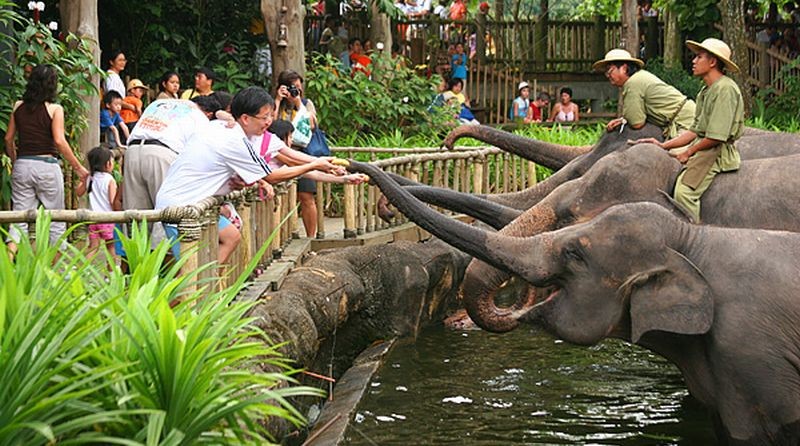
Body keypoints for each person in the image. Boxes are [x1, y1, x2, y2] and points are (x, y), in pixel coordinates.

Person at [155, 87, 339, 264]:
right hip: (181, 207)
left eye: (270, 116)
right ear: (244, 118)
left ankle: (210, 283)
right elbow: (271, 176)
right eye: (264, 117)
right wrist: (314, 164)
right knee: (190, 271)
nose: (269, 122)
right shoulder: (236, 141)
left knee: (231, 236)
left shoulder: (220, 126)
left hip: (188, 201)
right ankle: (194, 291)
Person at [633, 38, 743, 222]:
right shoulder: (706, 91)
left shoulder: (725, 89)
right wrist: (663, 145)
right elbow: (694, 131)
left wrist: (689, 152)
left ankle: (693, 238)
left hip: (716, 153)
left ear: (713, 62)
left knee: (684, 193)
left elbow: (717, 137)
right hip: (704, 146)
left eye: (699, 57)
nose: (693, 61)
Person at [4, 64, 89, 253]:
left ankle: (6, 270)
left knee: (18, 221)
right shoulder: (55, 109)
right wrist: (78, 167)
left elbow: (8, 138)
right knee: (56, 220)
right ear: (52, 85)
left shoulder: (18, 106)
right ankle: (57, 275)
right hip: (47, 166)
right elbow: (59, 141)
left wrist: (15, 159)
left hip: (23, 165)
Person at [593, 49, 696, 138]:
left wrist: (628, 119)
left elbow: (637, 123)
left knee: (677, 155)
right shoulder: (639, 78)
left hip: (685, 121)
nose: (608, 75)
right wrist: (623, 120)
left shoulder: (633, 83)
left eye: (610, 71)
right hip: (682, 118)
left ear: (624, 68)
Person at [273, 70, 323, 238]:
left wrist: (298, 103)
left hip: (300, 153)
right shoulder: (274, 103)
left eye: (299, 89)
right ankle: (281, 238)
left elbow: (312, 125)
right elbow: (268, 125)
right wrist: (278, 100)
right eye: (292, 88)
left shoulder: (306, 104)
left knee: (306, 196)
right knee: (280, 198)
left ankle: (311, 237)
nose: (296, 92)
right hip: (276, 154)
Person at [76, 146, 119, 265]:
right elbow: (112, 201)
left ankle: (81, 270)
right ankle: (111, 274)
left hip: (93, 219)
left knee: (93, 247)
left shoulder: (90, 178)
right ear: (107, 164)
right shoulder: (109, 179)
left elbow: (78, 192)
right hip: (107, 219)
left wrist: (84, 180)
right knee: (111, 248)